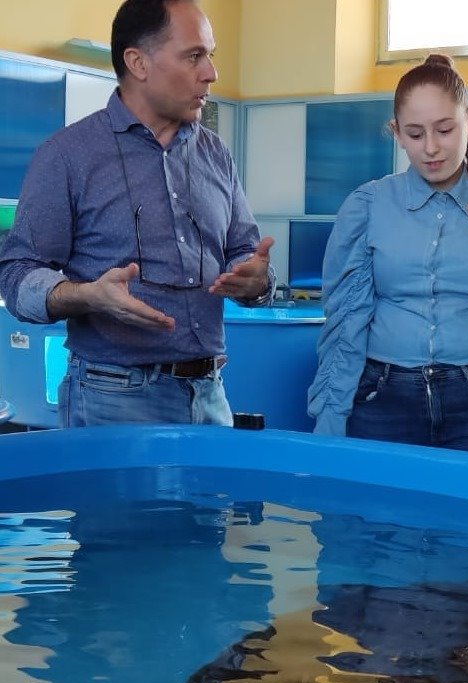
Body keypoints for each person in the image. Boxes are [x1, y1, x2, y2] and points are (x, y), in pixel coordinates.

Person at [0, 0, 274, 428]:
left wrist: (254, 281)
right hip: (113, 399)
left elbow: (242, 250)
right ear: (138, 62)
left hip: (211, 393)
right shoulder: (67, 156)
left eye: (211, 55)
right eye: (194, 56)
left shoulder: (215, 153)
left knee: (207, 500)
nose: (211, 73)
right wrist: (86, 296)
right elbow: (16, 276)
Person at [307, 54, 468, 457]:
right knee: (372, 520)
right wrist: (330, 419)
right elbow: (344, 326)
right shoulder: (368, 205)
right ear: (396, 132)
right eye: (414, 134)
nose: (430, 148)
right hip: (383, 401)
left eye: (445, 129)